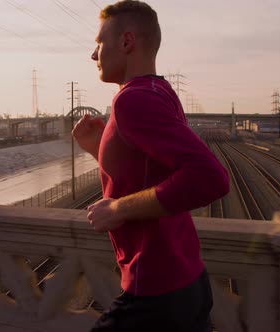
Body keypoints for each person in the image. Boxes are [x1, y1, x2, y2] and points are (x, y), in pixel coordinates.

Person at [71, 1, 230, 331]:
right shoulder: (160, 90)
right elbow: (149, 174)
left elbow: (210, 178)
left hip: (156, 293)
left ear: (127, 42)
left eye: (99, 43)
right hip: (184, 279)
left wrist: (119, 210)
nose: (93, 54)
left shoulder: (133, 100)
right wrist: (98, 149)